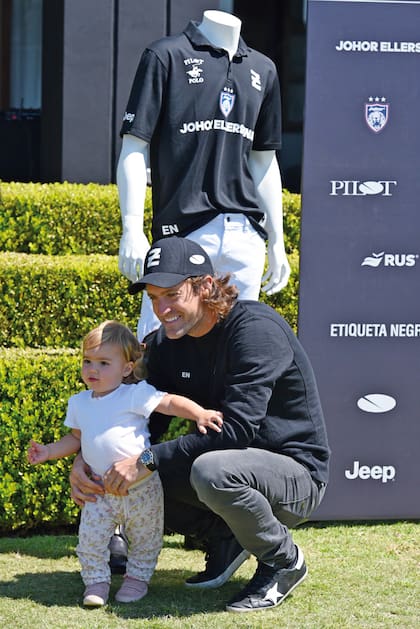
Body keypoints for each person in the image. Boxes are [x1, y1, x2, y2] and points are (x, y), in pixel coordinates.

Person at [70, 237, 330, 613]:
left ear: (206, 286)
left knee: (208, 471)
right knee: (123, 476)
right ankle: (225, 537)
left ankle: (283, 561)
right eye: (154, 297)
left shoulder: (255, 329)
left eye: (172, 294)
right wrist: (86, 462)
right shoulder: (164, 343)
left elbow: (238, 429)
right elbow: (137, 420)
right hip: (231, 470)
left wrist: (144, 459)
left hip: (296, 476)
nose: (162, 309)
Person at [117, 9, 290, 340]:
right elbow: (134, 146)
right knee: (158, 345)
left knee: (236, 350)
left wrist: (276, 242)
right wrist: (132, 228)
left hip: (245, 235)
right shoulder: (166, 55)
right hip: (182, 230)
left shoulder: (262, 69)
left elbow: (264, 160)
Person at [27, 320, 223, 607]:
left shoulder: (134, 394)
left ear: (127, 368)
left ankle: (136, 580)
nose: (92, 369)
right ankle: (96, 582)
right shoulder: (79, 402)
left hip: (141, 487)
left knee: (145, 538)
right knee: (90, 539)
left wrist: (199, 414)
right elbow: (75, 439)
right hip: (99, 488)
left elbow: (169, 403)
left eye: (104, 363)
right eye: (87, 361)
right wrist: (48, 451)